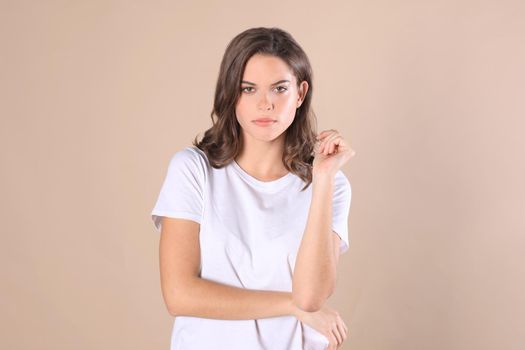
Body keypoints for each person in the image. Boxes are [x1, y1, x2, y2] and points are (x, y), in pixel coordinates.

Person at [150, 27, 356, 350]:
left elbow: (311, 296)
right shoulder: (193, 170)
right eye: (248, 89)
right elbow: (179, 295)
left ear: (300, 94)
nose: (265, 104)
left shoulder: (331, 185)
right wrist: (291, 306)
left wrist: (324, 179)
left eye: (279, 89)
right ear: (231, 93)